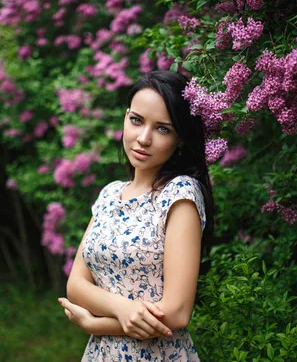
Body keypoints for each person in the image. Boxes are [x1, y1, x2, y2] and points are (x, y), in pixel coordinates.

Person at [57, 70, 214, 361]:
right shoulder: (108, 195)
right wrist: (122, 309)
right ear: (126, 117)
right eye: (137, 121)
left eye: (163, 129)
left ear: (179, 138)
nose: (144, 138)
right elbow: (76, 285)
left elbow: (177, 313)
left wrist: (97, 323)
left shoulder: (180, 195)